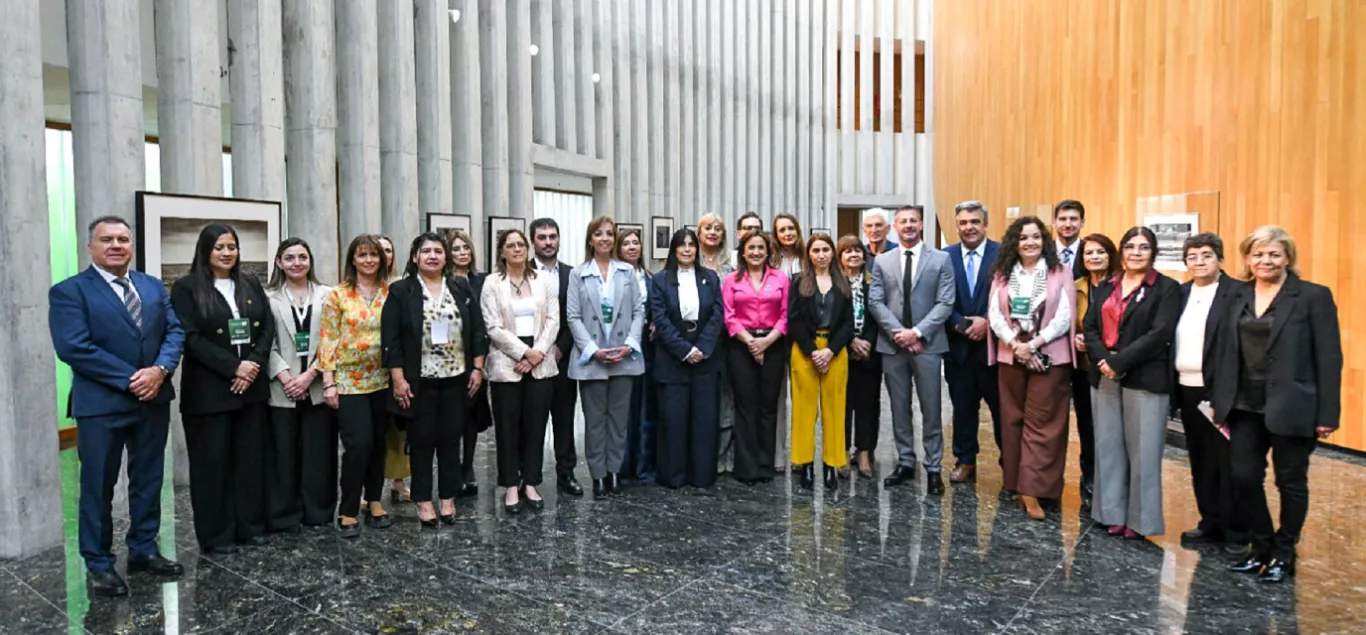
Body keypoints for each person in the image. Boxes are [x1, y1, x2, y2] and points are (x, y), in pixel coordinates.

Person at [49, 216, 186, 597]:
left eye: (123, 239)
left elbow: (175, 330)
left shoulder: (151, 285)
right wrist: (132, 378)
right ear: (90, 247)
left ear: (132, 245)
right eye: (106, 239)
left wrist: (159, 370)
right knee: (98, 486)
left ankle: (143, 549)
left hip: (152, 400)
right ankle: (98, 563)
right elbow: (74, 347)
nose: (116, 245)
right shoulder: (69, 291)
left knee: (148, 480)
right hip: (102, 405)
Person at [1209, 226, 1341, 583]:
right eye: (1258, 254)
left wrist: (1328, 414)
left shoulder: (1313, 296)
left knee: (1291, 483)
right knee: (1244, 478)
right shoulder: (1236, 295)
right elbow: (1222, 349)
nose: (1265, 261)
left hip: (1294, 406)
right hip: (1242, 405)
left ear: (1288, 259)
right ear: (1248, 259)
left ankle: (1285, 554)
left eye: (1274, 254)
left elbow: (1329, 358)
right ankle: (1261, 548)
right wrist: (1217, 401)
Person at [170, 223, 276, 553]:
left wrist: (253, 364)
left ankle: (251, 526)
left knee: (249, 463)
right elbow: (191, 337)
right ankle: (217, 535)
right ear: (205, 251)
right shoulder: (186, 288)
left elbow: (267, 327)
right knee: (212, 466)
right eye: (219, 247)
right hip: (209, 393)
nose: (227, 252)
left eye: (232, 246)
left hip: (252, 390)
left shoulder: (249, 283)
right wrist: (234, 367)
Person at [1082, 226, 1180, 540]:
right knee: (1108, 446)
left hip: (1145, 376)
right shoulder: (1107, 285)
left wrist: (1119, 362)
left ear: (1153, 253)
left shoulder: (1166, 288)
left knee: (1144, 451)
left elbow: (1160, 333)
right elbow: (1090, 326)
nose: (1136, 253)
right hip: (1104, 373)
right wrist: (1103, 360)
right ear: (1121, 252)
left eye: (1143, 247)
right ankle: (1109, 512)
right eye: (1130, 247)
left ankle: (1140, 520)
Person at [384, 232, 486, 527]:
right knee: (421, 443)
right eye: (426, 251)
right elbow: (391, 340)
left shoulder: (460, 286)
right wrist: (398, 380)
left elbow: (477, 331)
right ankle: (423, 501)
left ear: (446, 257)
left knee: (451, 441)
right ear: (415, 257)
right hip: (419, 382)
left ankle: (448, 498)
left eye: (438, 251)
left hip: (457, 379)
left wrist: (477, 369)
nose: (432, 256)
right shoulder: (401, 291)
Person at [985, 217, 1077, 520]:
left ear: (1044, 240)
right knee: (1011, 421)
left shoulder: (1059, 272)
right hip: (1011, 354)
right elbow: (995, 315)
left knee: (1043, 425)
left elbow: (1064, 316)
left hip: (1048, 356)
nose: (1030, 243)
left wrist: (1034, 345)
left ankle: (1034, 490)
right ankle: (1014, 483)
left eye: (1036, 237)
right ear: (1014, 242)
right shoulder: (1002, 274)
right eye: (1023, 238)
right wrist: (1016, 345)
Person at [868, 205, 955, 495]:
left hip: (928, 345)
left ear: (921, 224)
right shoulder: (882, 261)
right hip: (893, 347)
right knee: (898, 407)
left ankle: (933, 468)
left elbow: (945, 302)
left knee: (931, 408)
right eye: (903, 221)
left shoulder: (941, 259)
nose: (908, 225)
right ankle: (905, 461)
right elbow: (876, 301)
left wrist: (917, 333)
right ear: (895, 226)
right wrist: (900, 334)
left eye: (913, 221)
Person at [1170, 233, 1244, 551]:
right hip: (1187, 388)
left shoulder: (1237, 293)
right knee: (1200, 460)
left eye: (1207, 255)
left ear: (1221, 260)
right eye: (1192, 256)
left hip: (1221, 391)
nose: (1199, 262)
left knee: (1227, 461)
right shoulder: (1181, 293)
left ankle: (1235, 531)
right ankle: (1209, 522)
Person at [318, 234, 393, 538]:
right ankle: (348, 508)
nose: (369, 261)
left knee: (378, 444)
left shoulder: (392, 292)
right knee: (358, 444)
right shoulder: (338, 294)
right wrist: (328, 382)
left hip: (384, 379)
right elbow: (327, 337)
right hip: (349, 382)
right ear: (352, 260)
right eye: (362, 255)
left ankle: (374, 500)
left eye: (374, 255)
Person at [480, 229, 559, 514]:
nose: (517, 249)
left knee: (536, 427)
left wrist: (536, 353)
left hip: (541, 360)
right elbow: (492, 327)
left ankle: (531, 484)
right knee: (508, 428)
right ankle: (511, 486)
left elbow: (553, 320)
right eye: (510, 245)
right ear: (501, 252)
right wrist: (523, 353)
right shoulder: (491, 284)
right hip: (507, 363)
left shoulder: (545, 280)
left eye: (521, 244)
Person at [568, 216, 646, 497]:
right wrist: (592, 350)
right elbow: (573, 317)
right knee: (595, 421)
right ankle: (598, 475)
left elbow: (639, 312)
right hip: (592, 359)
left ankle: (614, 471)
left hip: (624, 356)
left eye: (609, 234)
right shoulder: (578, 274)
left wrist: (630, 344)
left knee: (618, 420)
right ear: (590, 240)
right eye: (598, 234)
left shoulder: (627, 272)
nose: (604, 238)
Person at [264, 238, 336, 531]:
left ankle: (318, 512)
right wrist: (286, 376)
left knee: (320, 453)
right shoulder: (267, 297)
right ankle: (284, 515)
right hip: (282, 388)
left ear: (310, 261)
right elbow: (263, 344)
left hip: (319, 385)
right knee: (283, 454)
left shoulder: (328, 295)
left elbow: (334, 340)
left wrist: (309, 376)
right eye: (290, 257)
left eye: (302, 257)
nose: (297, 263)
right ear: (279, 262)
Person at [650, 228, 725, 488]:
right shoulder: (660, 280)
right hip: (672, 358)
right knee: (673, 419)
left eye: (691, 245)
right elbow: (659, 319)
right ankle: (674, 476)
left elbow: (717, 314)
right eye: (681, 245)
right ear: (673, 249)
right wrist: (684, 350)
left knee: (704, 419)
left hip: (706, 356)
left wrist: (701, 347)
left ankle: (701, 476)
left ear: (697, 250)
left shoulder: (710, 277)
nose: (687, 249)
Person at [722, 231, 790, 485]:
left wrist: (766, 342)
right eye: (751, 248)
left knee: (768, 407)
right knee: (745, 406)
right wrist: (751, 342)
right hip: (741, 346)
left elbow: (785, 315)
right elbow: (729, 315)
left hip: (773, 345)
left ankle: (765, 465)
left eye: (761, 248)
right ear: (742, 251)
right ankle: (747, 467)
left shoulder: (781, 278)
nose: (756, 252)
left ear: (768, 251)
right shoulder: (732, 280)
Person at [787, 233, 854, 491]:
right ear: (809, 255)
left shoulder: (843, 283)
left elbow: (849, 324)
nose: (821, 255)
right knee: (804, 411)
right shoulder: (799, 283)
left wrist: (830, 351)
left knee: (834, 410)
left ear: (832, 253)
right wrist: (813, 351)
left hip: (835, 351)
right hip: (805, 351)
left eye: (826, 249)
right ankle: (805, 465)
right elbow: (793, 320)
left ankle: (830, 466)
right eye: (816, 250)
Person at [943, 201, 1002, 484]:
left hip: (994, 350)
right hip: (959, 349)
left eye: (974, 222)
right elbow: (939, 299)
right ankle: (965, 460)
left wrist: (988, 323)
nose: (969, 227)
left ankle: (1010, 463)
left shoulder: (1003, 254)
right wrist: (961, 324)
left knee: (1003, 412)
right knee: (963, 409)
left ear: (985, 224)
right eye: (963, 223)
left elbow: (1012, 297)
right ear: (957, 226)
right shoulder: (945, 257)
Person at [530, 217, 584, 497]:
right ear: (533, 241)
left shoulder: (572, 274)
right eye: (542, 237)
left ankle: (566, 473)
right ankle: (530, 478)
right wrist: (536, 352)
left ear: (559, 239)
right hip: (530, 361)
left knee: (564, 421)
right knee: (532, 422)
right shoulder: (520, 273)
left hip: (562, 360)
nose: (548, 242)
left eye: (553, 236)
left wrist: (559, 349)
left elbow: (574, 316)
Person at [1072, 233, 1120, 508]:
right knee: (1087, 427)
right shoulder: (1076, 286)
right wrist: (1074, 339)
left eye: (1100, 252)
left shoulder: (1121, 285)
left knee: (1111, 430)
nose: (1094, 257)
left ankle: (1111, 483)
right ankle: (1088, 477)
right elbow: (1068, 321)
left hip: (1114, 369)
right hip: (1083, 369)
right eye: (1089, 253)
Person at [446, 229, 491, 498]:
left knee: (472, 417)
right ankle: (452, 469)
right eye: (456, 249)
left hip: (480, 356)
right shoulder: (442, 282)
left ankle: (468, 467)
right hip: (450, 358)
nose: (462, 253)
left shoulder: (483, 280)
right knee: (452, 418)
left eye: (466, 248)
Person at [838, 235, 881, 478]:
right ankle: (842, 451)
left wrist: (867, 342)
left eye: (857, 251)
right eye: (848, 251)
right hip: (841, 351)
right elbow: (833, 320)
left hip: (869, 353)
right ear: (840, 257)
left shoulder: (873, 283)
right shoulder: (834, 284)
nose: (854, 255)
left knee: (868, 404)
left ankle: (864, 452)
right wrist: (850, 341)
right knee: (843, 405)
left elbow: (877, 317)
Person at [698, 213, 738, 474]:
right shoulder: (689, 260)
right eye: (707, 228)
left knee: (727, 399)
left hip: (728, 340)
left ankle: (725, 457)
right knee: (702, 400)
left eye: (718, 229)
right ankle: (703, 456)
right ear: (699, 232)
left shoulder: (732, 265)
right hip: (697, 342)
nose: (713, 232)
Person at [618, 227, 657, 483]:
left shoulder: (651, 278)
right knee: (623, 407)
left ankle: (644, 465)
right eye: (626, 243)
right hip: (620, 344)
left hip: (648, 344)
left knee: (645, 406)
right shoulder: (612, 276)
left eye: (636, 243)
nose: (632, 247)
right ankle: (622, 466)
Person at [375, 235, 411, 504]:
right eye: (377, 250)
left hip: (399, 367)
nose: (383, 255)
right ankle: (369, 487)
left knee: (399, 430)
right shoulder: (350, 289)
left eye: (388, 250)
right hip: (366, 370)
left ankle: (399, 481)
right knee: (372, 431)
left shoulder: (401, 287)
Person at [1053, 200, 1087, 279]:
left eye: (1073, 219)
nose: (1068, 224)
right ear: (1054, 222)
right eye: (1062, 219)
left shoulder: (1089, 250)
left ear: (1082, 222)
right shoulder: (1043, 251)